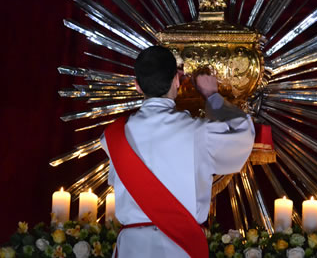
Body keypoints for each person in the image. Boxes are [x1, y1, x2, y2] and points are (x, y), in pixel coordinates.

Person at [101, 46, 254, 257]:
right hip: (181, 247)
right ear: (177, 81)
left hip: (133, 248)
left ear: (137, 86)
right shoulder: (198, 132)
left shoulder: (113, 136)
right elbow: (243, 133)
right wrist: (212, 95)